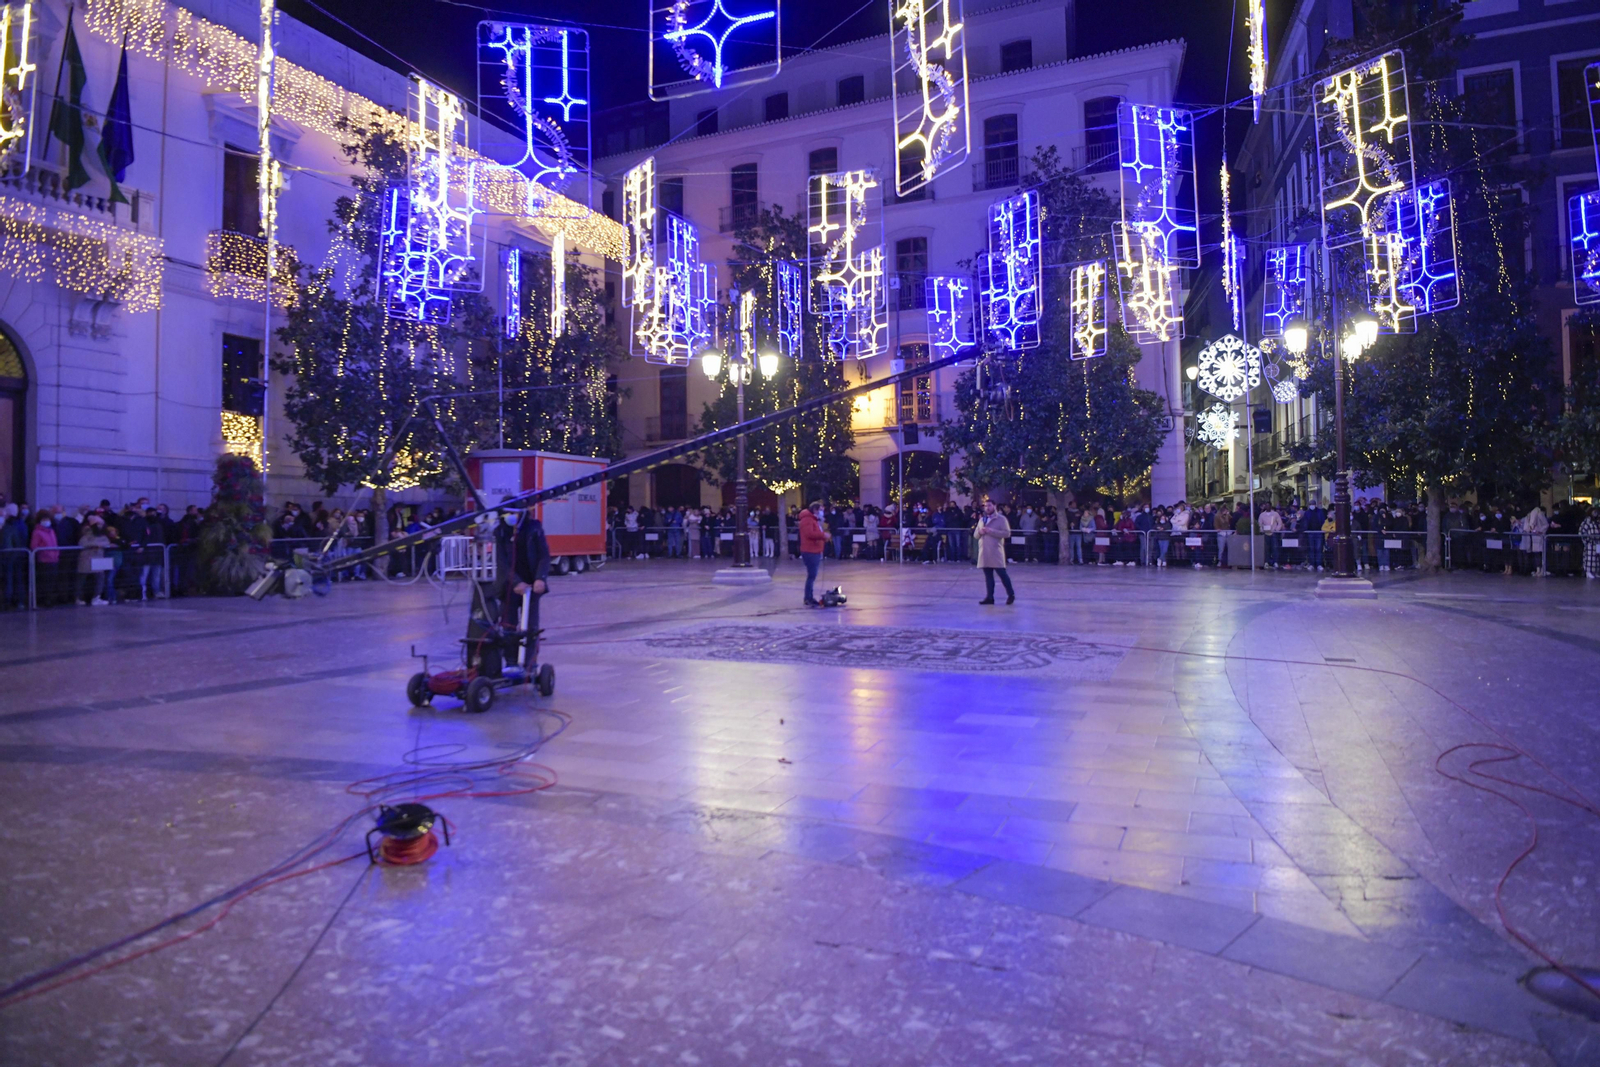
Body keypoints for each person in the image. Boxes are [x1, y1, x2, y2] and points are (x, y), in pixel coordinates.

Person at [506, 502, 552, 670]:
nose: (511, 516)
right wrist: (516, 581)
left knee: (531, 626)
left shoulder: (534, 528)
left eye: (513, 512)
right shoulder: (501, 531)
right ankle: (511, 661)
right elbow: (502, 561)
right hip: (510, 586)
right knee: (508, 625)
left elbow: (544, 555)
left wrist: (540, 578)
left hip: (532, 586)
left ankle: (530, 662)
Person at [973, 498, 1015, 605]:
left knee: (1002, 574)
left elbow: (1006, 533)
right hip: (984, 551)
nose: (987, 508)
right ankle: (989, 597)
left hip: (996, 551)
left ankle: (1011, 594)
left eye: (989, 506)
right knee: (988, 576)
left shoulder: (1001, 519)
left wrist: (991, 531)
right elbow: (975, 535)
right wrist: (980, 532)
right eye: (986, 506)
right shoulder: (982, 520)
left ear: (994, 506)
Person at [798, 500, 826, 607]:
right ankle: (808, 597)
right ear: (815, 510)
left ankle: (809, 596)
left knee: (812, 575)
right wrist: (823, 535)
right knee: (811, 575)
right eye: (821, 510)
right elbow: (810, 533)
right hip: (810, 551)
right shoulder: (807, 520)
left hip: (815, 550)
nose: (822, 512)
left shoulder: (813, 520)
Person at [1581, 506, 1600, 580]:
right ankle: (1588, 571)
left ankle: (1595, 571)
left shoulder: (1597, 521)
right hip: (1590, 543)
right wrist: (1587, 540)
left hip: (1598, 542)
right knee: (1590, 557)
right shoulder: (1587, 521)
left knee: (1597, 557)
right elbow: (1582, 531)